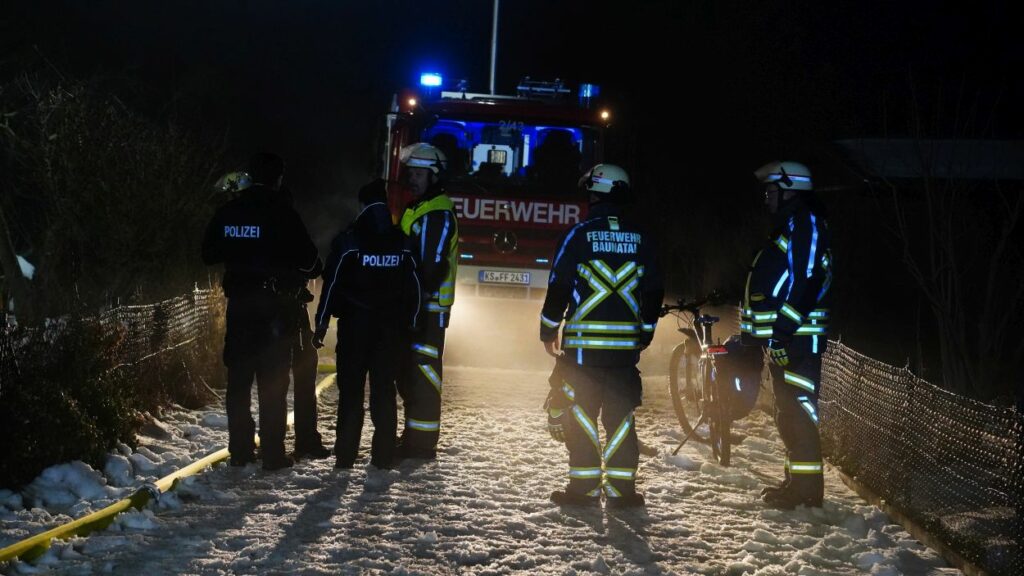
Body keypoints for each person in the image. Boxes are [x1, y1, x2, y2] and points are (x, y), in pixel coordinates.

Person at [539, 163, 664, 508]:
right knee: (621, 419)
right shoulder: (642, 239)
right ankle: (623, 492)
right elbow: (654, 292)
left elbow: (558, 287)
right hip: (624, 352)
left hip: (583, 351)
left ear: (595, 194)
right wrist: (645, 333)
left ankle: (583, 489)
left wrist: (548, 330)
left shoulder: (577, 236)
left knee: (581, 415)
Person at [202, 153, 321, 471]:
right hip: (274, 310)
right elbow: (312, 262)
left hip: (239, 307)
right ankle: (272, 453)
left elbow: (208, 253)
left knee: (239, 382)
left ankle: (240, 450)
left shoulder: (229, 211)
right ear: (278, 179)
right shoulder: (283, 214)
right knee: (273, 382)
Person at [741, 160, 833, 509]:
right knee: (788, 414)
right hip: (788, 339)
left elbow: (806, 282)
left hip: (797, 340)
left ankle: (806, 491)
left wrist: (781, 332)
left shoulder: (806, 224)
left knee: (798, 414)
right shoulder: (794, 224)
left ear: (789, 190)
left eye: (772, 190)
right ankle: (796, 483)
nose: (767, 197)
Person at [313, 179, 419, 469]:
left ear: (361, 204)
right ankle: (383, 457)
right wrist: (411, 323)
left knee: (351, 393)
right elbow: (415, 286)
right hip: (390, 331)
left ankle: (346, 456)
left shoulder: (349, 241)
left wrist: (321, 323)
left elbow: (331, 283)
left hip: (354, 329)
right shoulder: (402, 242)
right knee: (384, 392)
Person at [395, 143, 459, 460]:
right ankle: (413, 438)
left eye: (419, 174)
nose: (413, 180)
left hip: (428, 310)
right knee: (411, 376)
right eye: (411, 174)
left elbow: (431, 267)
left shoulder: (437, 213)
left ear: (434, 176)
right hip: (416, 307)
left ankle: (420, 446)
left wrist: (416, 306)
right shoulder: (420, 208)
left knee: (424, 378)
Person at [276, 184, 331, 461]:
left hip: (257, 313)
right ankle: (306, 441)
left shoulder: (253, 222)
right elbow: (314, 265)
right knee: (304, 374)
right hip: (292, 311)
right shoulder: (291, 225)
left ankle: (270, 444)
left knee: (270, 379)